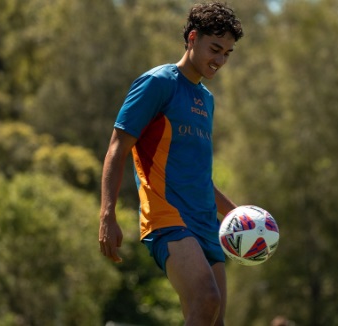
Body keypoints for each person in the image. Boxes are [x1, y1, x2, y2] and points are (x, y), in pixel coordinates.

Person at [98, 2, 244, 325]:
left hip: (206, 224)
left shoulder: (207, 100)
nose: (219, 61)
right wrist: (107, 214)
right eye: (215, 49)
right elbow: (116, 149)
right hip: (167, 218)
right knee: (207, 299)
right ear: (193, 38)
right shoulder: (157, 83)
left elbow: (200, 177)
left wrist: (237, 214)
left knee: (214, 318)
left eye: (227, 54)